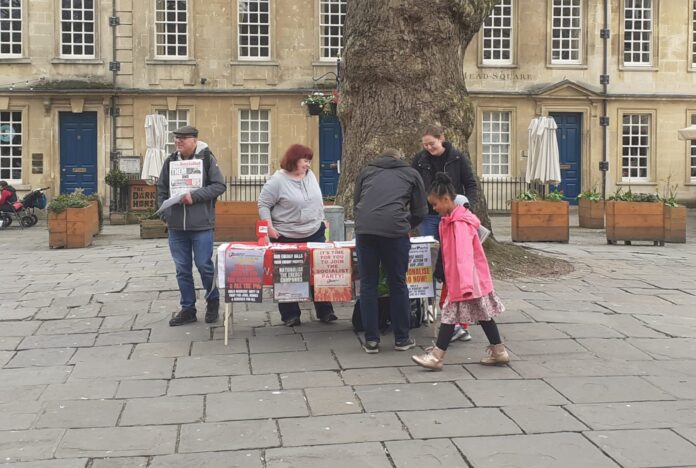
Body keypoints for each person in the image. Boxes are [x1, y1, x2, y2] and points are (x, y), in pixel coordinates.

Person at [412, 172, 508, 369]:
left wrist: (462, 285)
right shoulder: (453, 220)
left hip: (464, 281)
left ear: (446, 199)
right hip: (472, 279)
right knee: (483, 314)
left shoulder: (458, 223)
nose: (434, 208)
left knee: (448, 316)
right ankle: (499, 351)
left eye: (435, 204)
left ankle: (436, 357)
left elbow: (463, 256)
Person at [354, 148, 428, 354]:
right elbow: (421, 211)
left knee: (368, 283)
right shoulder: (411, 174)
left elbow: (357, 203)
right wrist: (405, 224)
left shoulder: (367, 171)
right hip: (395, 232)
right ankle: (402, 339)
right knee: (398, 282)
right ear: (399, 158)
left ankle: (371, 340)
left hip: (365, 230)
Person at [258, 143, 337, 327]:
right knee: (288, 274)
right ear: (294, 160)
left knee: (319, 272)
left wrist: (321, 219)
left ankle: (325, 310)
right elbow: (263, 204)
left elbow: (316, 200)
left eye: (309, 161)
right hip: (287, 233)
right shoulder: (277, 181)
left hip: (314, 231)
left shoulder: (310, 175)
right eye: (305, 160)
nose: (308, 164)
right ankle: (290, 314)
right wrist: (269, 227)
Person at [413, 124, 479, 342]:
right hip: (428, 215)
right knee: (428, 263)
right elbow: (413, 186)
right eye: (425, 145)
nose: (429, 148)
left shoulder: (457, 157)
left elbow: (470, 183)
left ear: (442, 139)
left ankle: (455, 315)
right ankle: (430, 309)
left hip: (451, 214)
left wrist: (467, 206)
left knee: (452, 262)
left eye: (432, 143)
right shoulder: (419, 159)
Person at [157, 125, 226, 326]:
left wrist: (193, 197)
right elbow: (161, 188)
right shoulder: (170, 161)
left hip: (201, 225)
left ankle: (212, 302)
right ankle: (188, 308)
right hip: (176, 226)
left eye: (183, 138)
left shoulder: (206, 159)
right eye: (177, 138)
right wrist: (165, 212)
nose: (178, 141)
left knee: (204, 266)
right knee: (182, 268)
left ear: (194, 140)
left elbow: (219, 185)